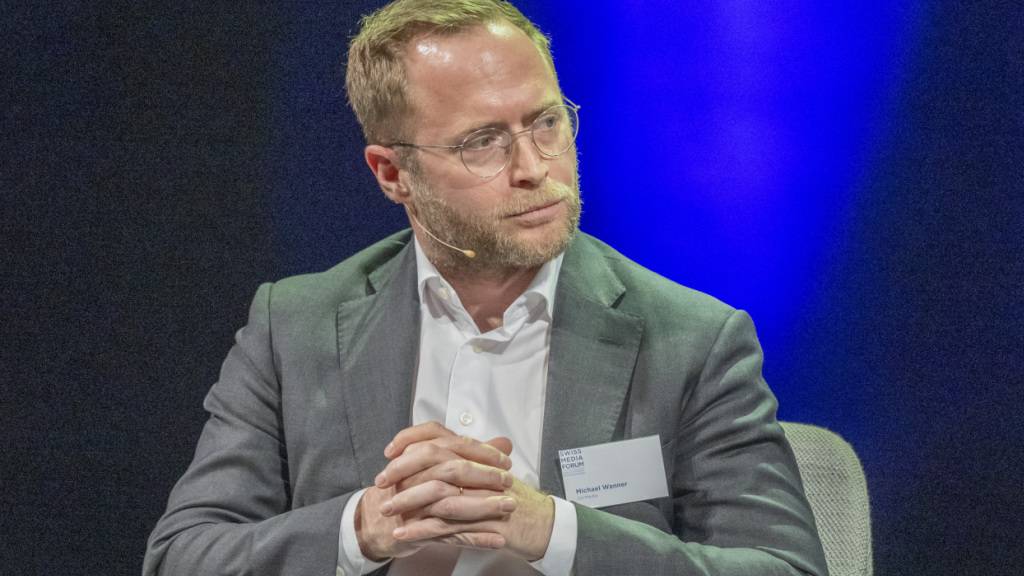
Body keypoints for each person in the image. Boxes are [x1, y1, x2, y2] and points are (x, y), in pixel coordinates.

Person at [143, 1, 828, 575]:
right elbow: (183, 556)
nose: (535, 167)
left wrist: (551, 530)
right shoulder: (295, 328)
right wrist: (364, 528)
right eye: (482, 142)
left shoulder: (692, 341)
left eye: (546, 122)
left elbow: (783, 568)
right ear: (391, 174)